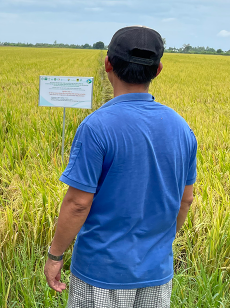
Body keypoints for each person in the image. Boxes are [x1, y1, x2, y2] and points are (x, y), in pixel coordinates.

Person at [44, 26, 197, 308]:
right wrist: (157, 244)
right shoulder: (181, 128)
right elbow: (185, 199)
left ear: (107, 65)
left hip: (101, 271)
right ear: (158, 69)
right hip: (156, 273)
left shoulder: (96, 127)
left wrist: (55, 256)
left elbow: (78, 204)